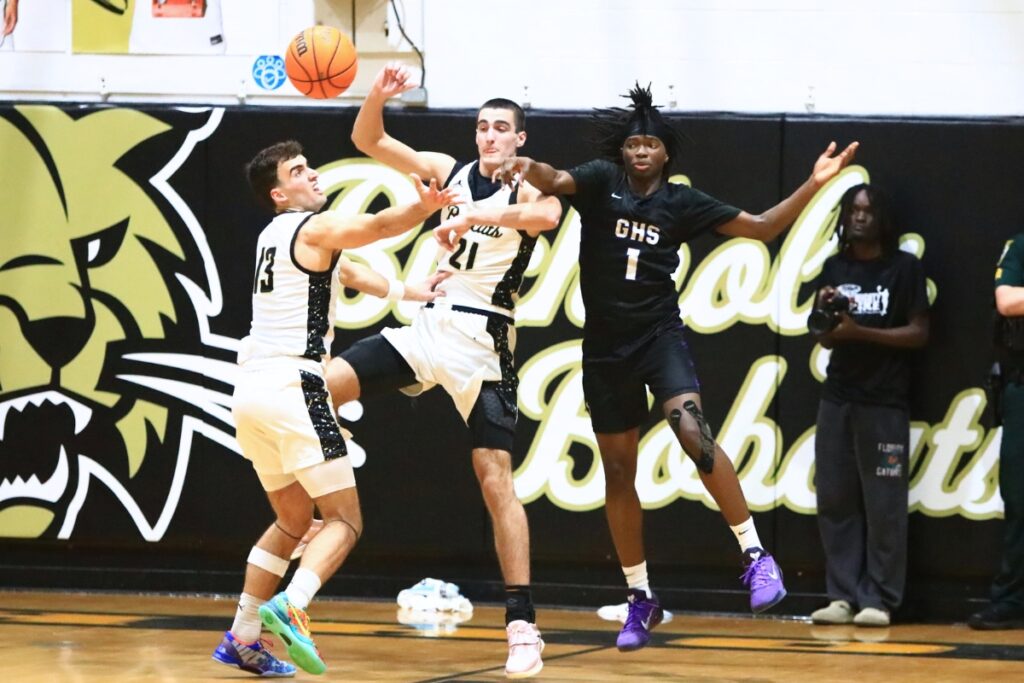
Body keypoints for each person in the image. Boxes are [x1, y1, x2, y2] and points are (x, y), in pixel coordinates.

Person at [476, 84, 858, 651]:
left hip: (659, 337)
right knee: (619, 472)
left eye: (651, 143)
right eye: (633, 143)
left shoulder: (682, 202)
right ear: (622, 151)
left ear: (666, 154)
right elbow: (553, 180)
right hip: (604, 347)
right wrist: (520, 162)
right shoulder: (601, 181)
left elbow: (761, 227)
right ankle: (640, 598)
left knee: (692, 433)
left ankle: (755, 555)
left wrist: (815, 184)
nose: (641, 151)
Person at [324, 63, 562, 679]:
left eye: (501, 127)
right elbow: (369, 142)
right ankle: (334, 454)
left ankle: (521, 625)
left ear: (520, 139)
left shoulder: (529, 186)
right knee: (320, 385)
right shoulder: (447, 171)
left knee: (494, 478)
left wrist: (470, 218)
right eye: (482, 126)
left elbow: (548, 219)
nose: (489, 136)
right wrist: (376, 94)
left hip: (484, 341)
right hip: (431, 322)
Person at [212, 140, 457, 677]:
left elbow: (347, 273)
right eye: (298, 171)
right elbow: (377, 227)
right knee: (343, 521)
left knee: (291, 519)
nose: (312, 174)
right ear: (280, 194)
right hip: (292, 384)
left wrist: (408, 290)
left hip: (249, 390)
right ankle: (293, 604)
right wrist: (425, 206)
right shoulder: (311, 227)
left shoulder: (274, 238)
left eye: (308, 165)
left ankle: (243, 633)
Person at [806, 184, 928, 628]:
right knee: (835, 499)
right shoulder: (834, 266)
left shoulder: (903, 268)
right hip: (838, 396)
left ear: (883, 219)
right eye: (853, 210)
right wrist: (825, 313)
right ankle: (840, 595)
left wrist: (861, 333)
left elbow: (918, 333)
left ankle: (879, 597)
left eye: (868, 210)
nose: (859, 217)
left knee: (884, 506)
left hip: (885, 401)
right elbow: (820, 333)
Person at [969, 235, 1024, 629]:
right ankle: (1011, 599)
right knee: (1019, 495)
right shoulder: (1019, 246)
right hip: (1021, 383)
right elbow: (1008, 301)